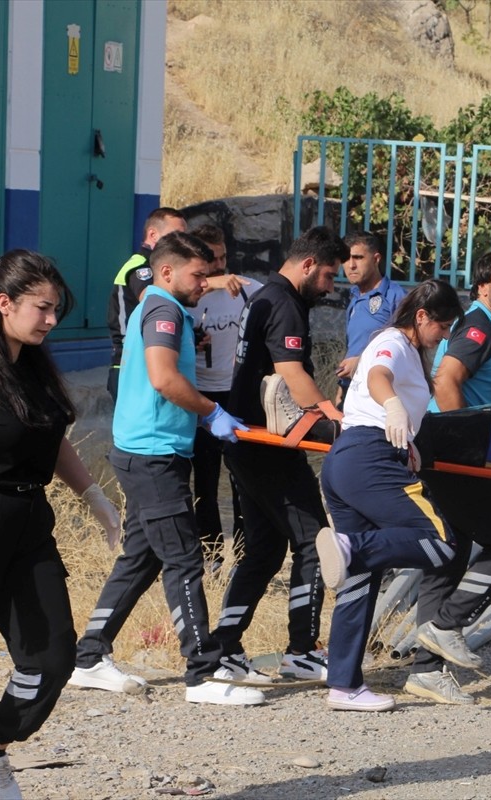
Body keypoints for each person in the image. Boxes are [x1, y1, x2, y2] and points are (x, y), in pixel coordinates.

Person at [69, 232, 264, 707]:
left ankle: (89, 657)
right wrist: (210, 412)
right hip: (152, 455)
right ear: (166, 272)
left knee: (142, 556)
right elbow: (163, 377)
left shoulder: (160, 307)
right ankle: (202, 672)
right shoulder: (163, 311)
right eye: (198, 275)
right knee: (183, 560)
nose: (205, 283)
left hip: (150, 451)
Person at [0, 251, 122, 800]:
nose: (51, 320)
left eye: (55, 310)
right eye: (41, 308)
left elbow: (49, 436)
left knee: (51, 658)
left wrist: (94, 494)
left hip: (28, 525)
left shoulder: (31, 364)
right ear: (4, 303)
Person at [315, 280, 465, 711]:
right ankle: (348, 545)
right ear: (421, 317)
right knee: (441, 543)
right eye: (442, 325)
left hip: (348, 460)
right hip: (368, 458)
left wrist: (409, 438)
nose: (443, 334)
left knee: (360, 576)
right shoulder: (394, 342)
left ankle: (344, 685)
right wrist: (394, 407)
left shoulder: (409, 352)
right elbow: (379, 376)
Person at [215, 226, 349, 684]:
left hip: (249, 441)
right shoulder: (287, 303)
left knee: (263, 552)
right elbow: (291, 371)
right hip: (269, 446)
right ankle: (301, 651)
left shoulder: (264, 296)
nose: (331, 287)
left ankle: (224, 648)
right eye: (330, 276)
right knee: (315, 542)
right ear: (308, 265)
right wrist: (332, 413)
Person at [405, 249, 491, 705]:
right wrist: (464, 441)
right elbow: (446, 379)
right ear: (483, 287)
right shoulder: (478, 327)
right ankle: (446, 625)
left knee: (449, 556)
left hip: (443, 451)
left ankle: (426, 670)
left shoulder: (484, 326)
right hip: (456, 457)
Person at [190, 224, 258, 571]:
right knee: (204, 479)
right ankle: (212, 556)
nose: (220, 265)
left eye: (223, 257)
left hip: (236, 394)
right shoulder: (188, 298)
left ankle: (244, 557)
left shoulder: (245, 290)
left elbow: (273, 299)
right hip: (202, 396)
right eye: (211, 258)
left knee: (242, 478)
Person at [105, 207, 187, 401]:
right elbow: (156, 302)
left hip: (147, 362)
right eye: (176, 236)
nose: (181, 243)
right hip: (130, 366)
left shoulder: (156, 265)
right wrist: (211, 284)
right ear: (153, 234)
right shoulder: (140, 266)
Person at [334, 231, 406, 405]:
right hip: (350, 390)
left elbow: (406, 348)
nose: (350, 265)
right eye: (346, 259)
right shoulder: (354, 296)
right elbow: (354, 346)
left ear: (376, 259)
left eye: (358, 258)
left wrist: (360, 362)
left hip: (377, 395)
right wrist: (340, 391)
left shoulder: (395, 296)